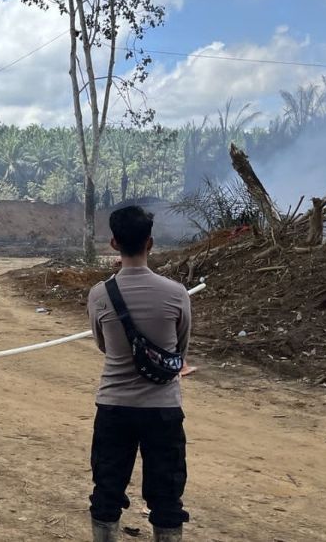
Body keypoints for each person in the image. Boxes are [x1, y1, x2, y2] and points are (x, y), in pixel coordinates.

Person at [87, 206, 191, 542]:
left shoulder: (100, 294)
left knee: (106, 493)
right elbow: (179, 352)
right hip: (163, 409)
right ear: (151, 243)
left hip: (114, 407)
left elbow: (104, 345)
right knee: (167, 497)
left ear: (114, 243)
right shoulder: (177, 294)